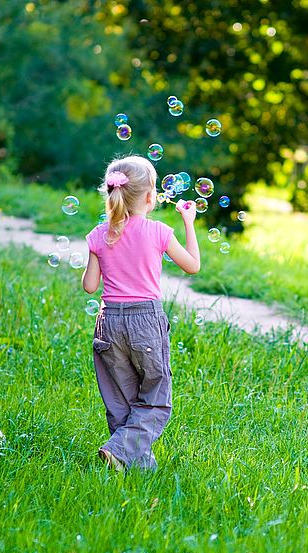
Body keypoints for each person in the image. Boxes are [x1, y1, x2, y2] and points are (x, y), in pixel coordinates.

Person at [81, 155, 200, 471]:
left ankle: (136, 468)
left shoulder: (98, 234)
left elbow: (90, 286)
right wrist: (188, 223)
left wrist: (98, 252)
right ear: (150, 197)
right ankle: (119, 451)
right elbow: (193, 266)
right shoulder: (158, 231)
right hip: (145, 321)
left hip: (108, 323)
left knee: (120, 399)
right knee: (156, 399)